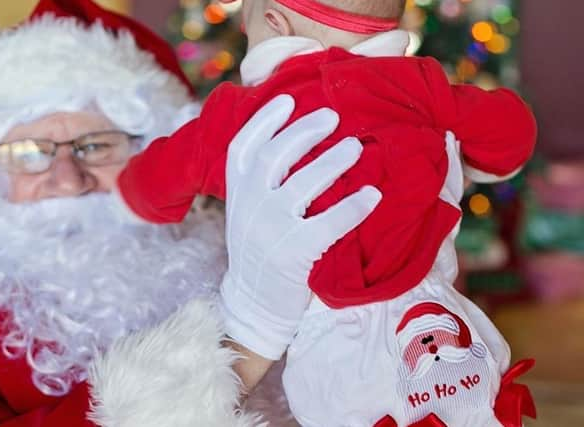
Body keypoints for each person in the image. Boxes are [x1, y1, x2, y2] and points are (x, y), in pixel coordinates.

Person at [0, 0, 380, 425]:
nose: (67, 179)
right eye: (28, 152)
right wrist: (241, 340)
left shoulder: (252, 241)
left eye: (95, 146)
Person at [114, 0, 537, 425]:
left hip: (334, 346)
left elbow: (149, 188)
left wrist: (133, 188)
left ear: (276, 25)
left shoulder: (241, 117)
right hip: (439, 320)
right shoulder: (422, 85)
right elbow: (513, 131)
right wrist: (469, 161)